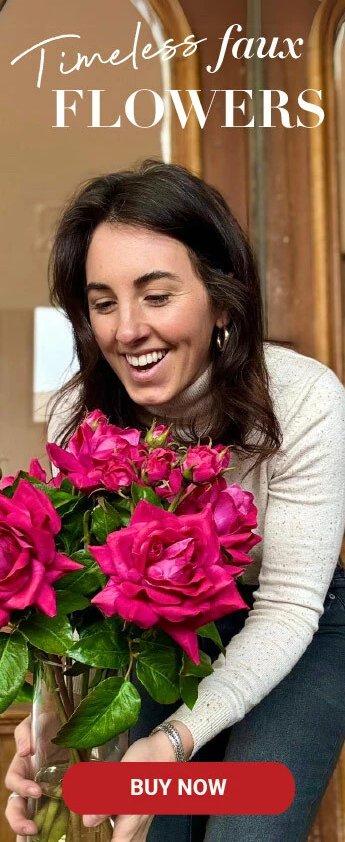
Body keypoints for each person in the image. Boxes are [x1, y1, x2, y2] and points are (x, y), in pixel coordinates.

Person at [4, 159, 345, 842]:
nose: (126, 331)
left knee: (246, 826)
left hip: (295, 623)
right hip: (154, 630)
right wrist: (52, 721)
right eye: (103, 303)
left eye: (156, 297)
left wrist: (176, 742)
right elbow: (80, 588)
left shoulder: (307, 399)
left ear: (222, 301)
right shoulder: (81, 411)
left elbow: (286, 605)